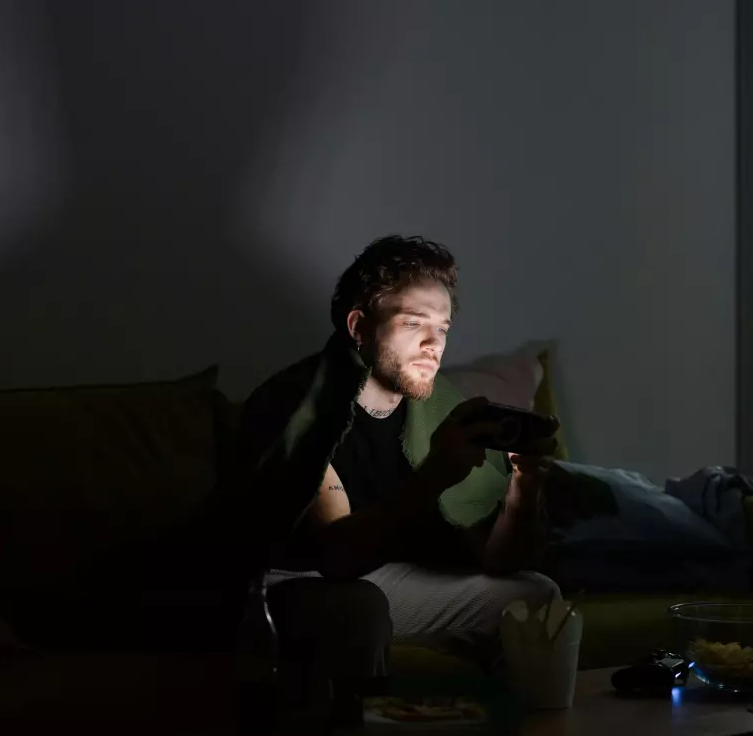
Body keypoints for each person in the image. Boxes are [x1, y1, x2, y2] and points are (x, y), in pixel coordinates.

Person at [233, 235, 561, 702]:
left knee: (534, 597)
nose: (433, 344)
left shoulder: (435, 406)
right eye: (413, 323)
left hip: (378, 575)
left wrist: (525, 485)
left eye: (443, 329)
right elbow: (336, 558)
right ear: (359, 327)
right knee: (357, 608)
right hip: (284, 581)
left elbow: (500, 559)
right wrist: (436, 474)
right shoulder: (302, 407)